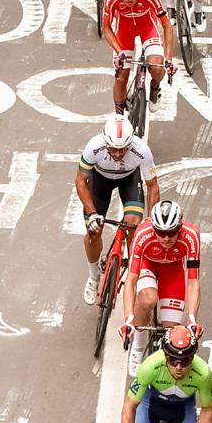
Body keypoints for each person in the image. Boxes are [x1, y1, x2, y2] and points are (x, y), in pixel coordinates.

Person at [77, 113, 160, 304]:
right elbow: (81, 180)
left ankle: (134, 273)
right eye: (113, 149)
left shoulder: (142, 150)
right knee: (93, 232)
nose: (117, 154)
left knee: (134, 225)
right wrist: (91, 213)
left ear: (131, 144)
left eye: (123, 150)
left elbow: (152, 185)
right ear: (105, 142)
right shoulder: (94, 146)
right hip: (100, 182)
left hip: (129, 180)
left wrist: (151, 221)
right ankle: (94, 276)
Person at [123, 199, 201, 378]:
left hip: (172, 272)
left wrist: (191, 318)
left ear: (180, 227)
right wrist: (128, 319)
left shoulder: (191, 235)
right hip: (147, 265)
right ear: (153, 229)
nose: (166, 238)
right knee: (148, 299)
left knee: (171, 332)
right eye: (161, 232)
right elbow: (131, 280)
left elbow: (193, 281)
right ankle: (138, 347)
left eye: (171, 232)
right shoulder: (143, 234)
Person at [102, 0, 172, 115]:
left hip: (147, 28)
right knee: (121, 77)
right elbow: (106, 28)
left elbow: (167, 26)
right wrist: (119, 51)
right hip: (124, 31)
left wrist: (169, 58)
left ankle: (155, 87)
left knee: (157, 69)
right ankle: (119, 117)